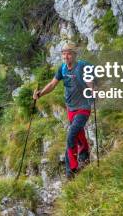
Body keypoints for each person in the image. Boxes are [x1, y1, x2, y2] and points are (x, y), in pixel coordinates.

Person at [33, 43, 94, 179]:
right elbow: (53, 84)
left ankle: (71, 169)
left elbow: (90, 80)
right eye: (64, 54)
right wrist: (40, 93)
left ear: (74, 55)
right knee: (78, 133)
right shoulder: (62, 69)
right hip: (70, 108)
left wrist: (92, 90)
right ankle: (84, 157)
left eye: (69, 53)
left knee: (71, 135)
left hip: (83, 107)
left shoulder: (82, 66)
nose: (66, 56)